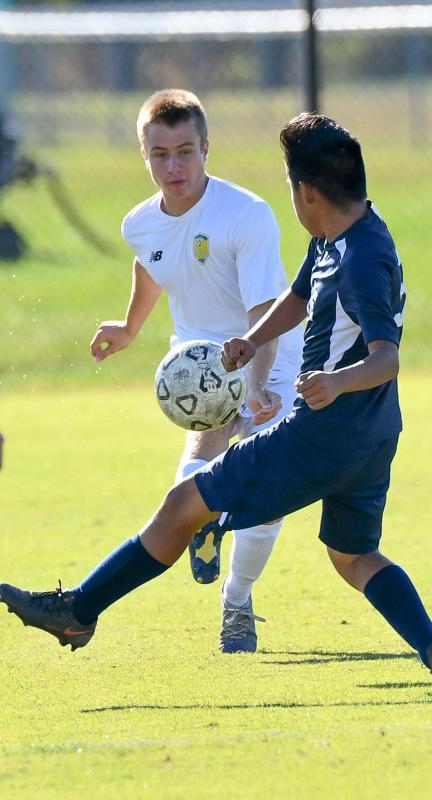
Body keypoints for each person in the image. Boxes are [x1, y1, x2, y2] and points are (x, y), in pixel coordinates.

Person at [0, 113, 432, 687]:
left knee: (183, 503)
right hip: (372, 435)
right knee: (353, 557)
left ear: (304, 192)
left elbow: (387, 357)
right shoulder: (340, 234)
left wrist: (335, 382)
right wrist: (251, 342)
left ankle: (78, 612)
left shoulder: (361, 260)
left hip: (324, 432)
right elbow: (300, 295)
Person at [90, 89, 302, 652]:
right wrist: (131, 328)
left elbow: (264, 310)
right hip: (197, 366)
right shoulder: (139, 223)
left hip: (270, 356)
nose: (174, 165)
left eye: (185, 150)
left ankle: (236, 602)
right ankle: (205, 524)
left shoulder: (245, 214)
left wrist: (256, 387)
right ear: (145, 156)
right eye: (160, 154)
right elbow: (152, 261)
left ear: (206, 148)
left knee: (265, 496)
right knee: (191, 485)